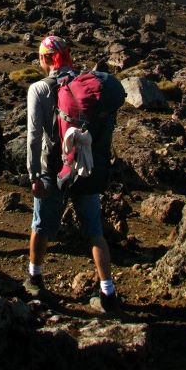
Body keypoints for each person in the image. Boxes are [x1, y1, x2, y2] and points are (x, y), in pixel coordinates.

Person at [25, 35, 121, 315]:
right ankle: (108, 292)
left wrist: (33, 173)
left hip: (52, 169)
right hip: (83, 167)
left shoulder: (39, 89)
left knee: (40, 226)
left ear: (45, 59)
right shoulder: (84, 85)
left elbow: (33, 136)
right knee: (94, 231)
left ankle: (35, 278)